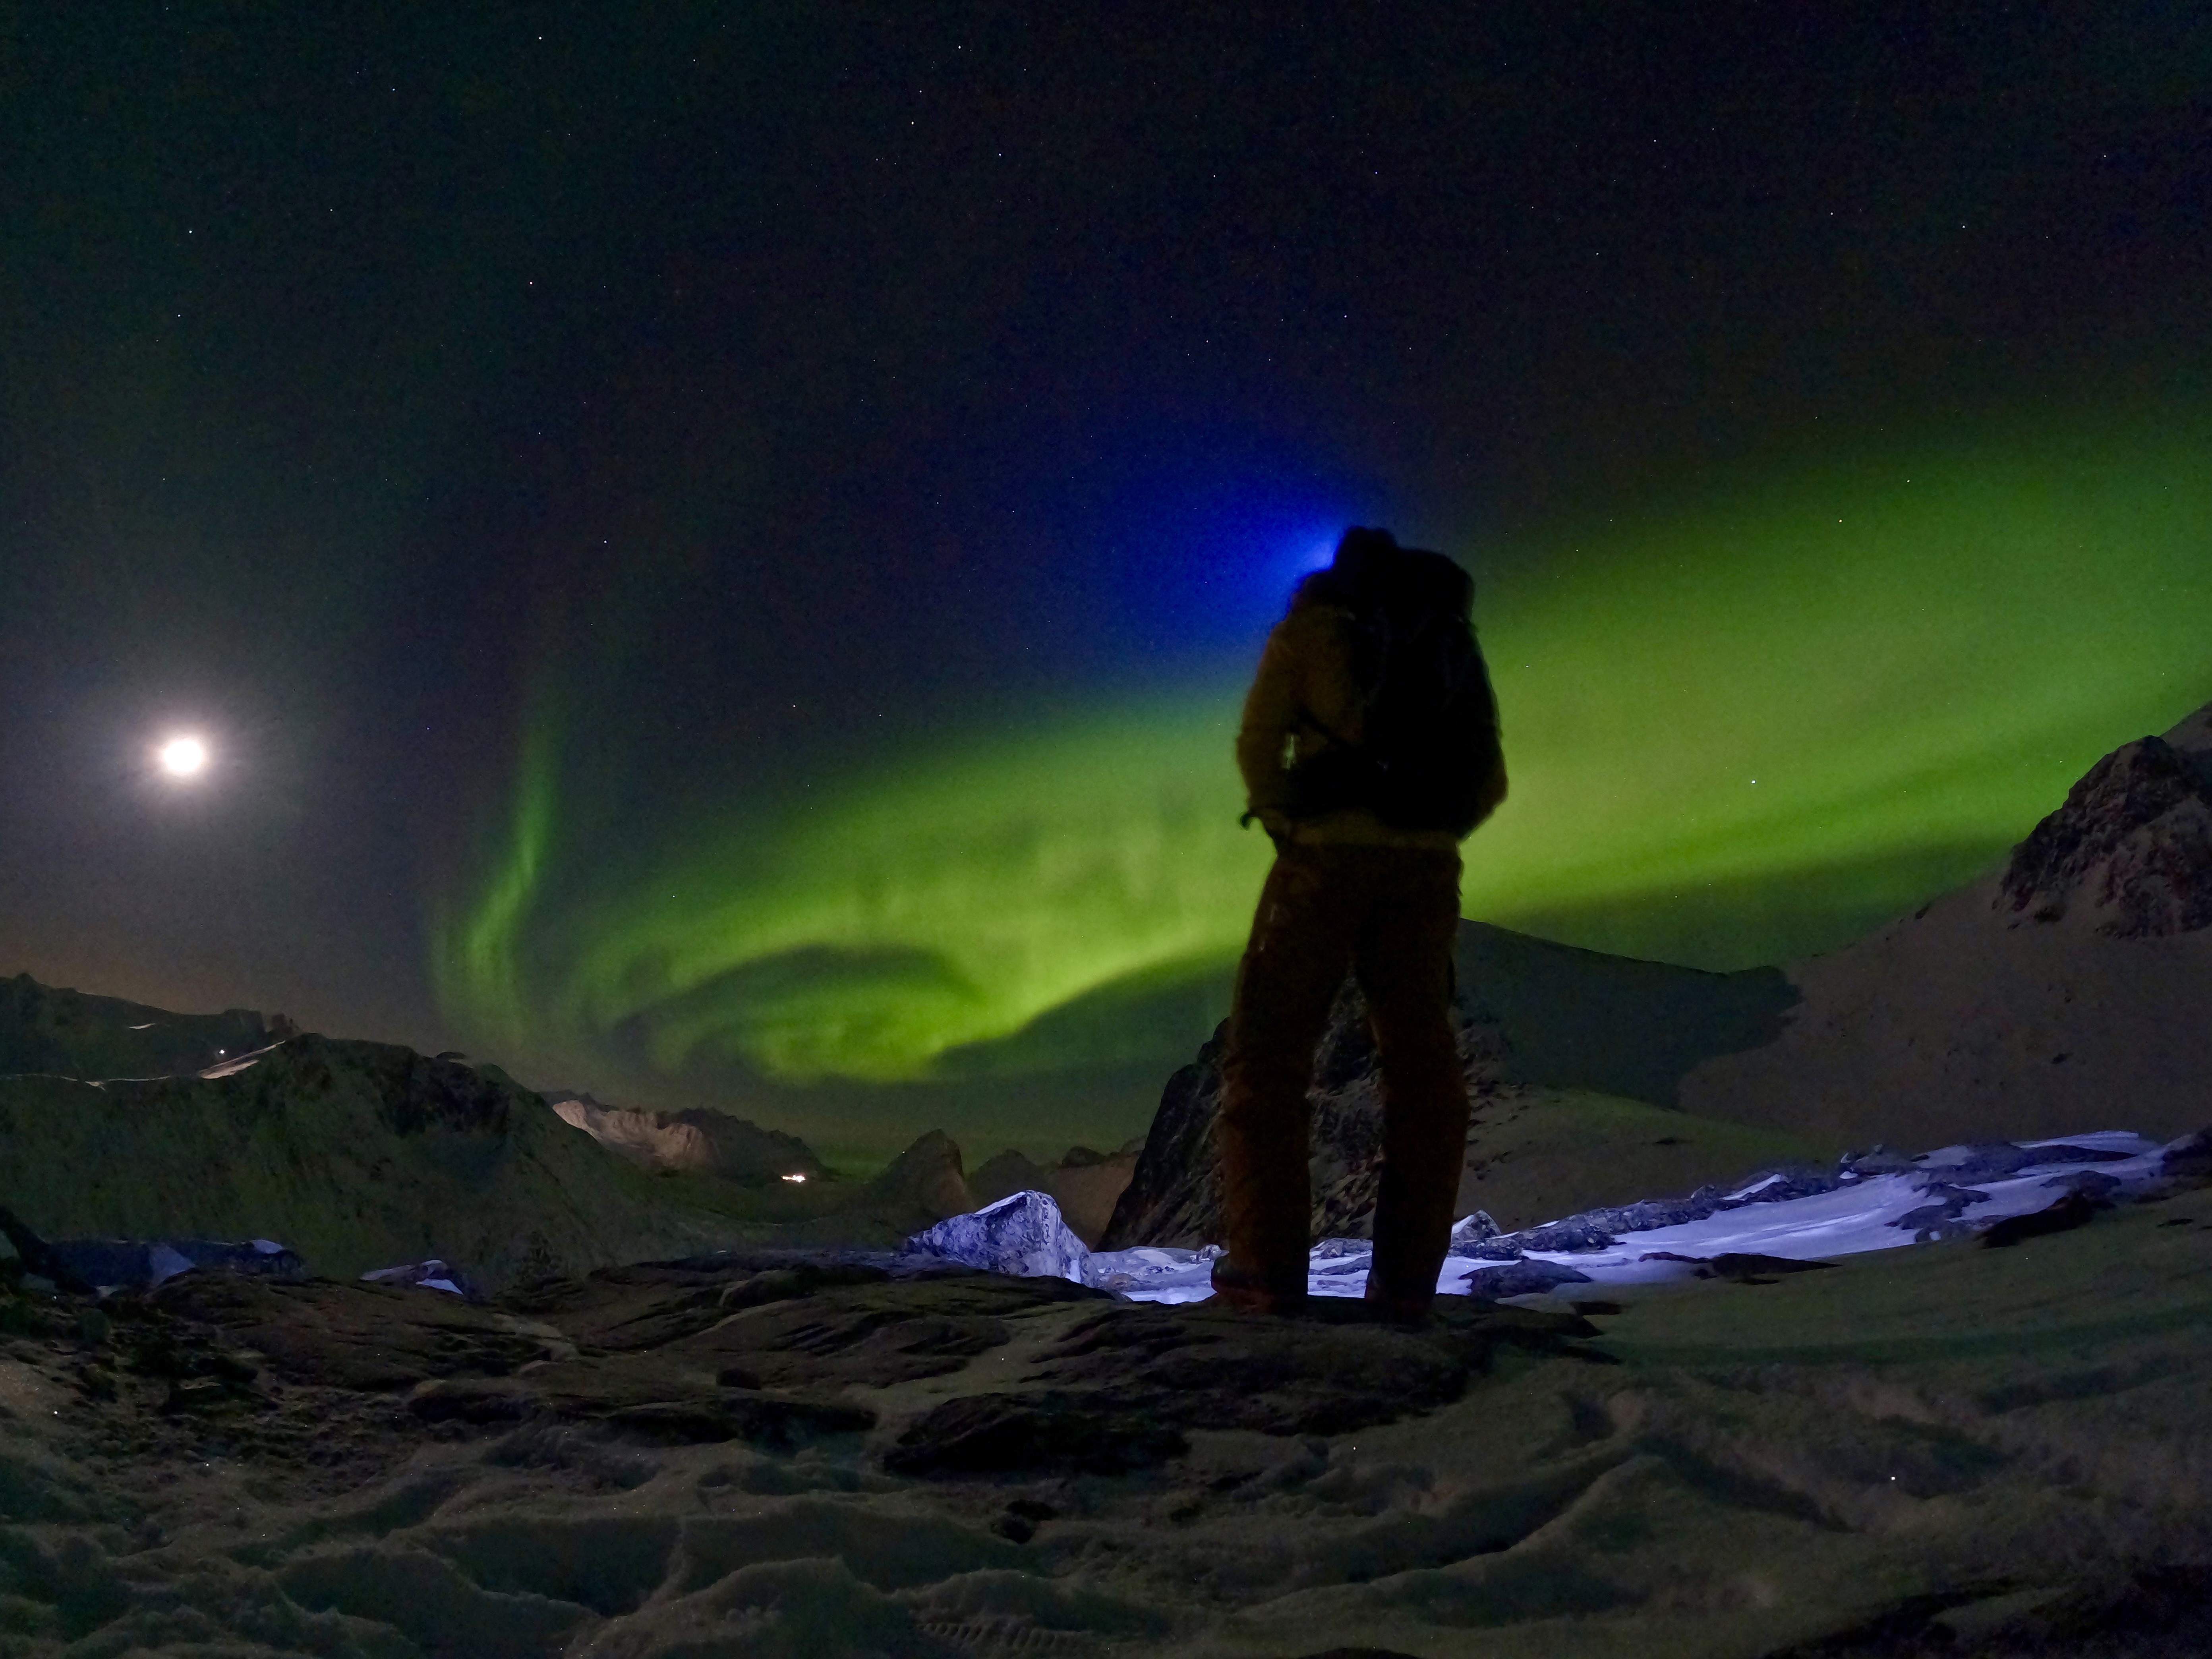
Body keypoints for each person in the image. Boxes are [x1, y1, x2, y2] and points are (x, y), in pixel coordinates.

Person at [1212, 527, 1507, 1318]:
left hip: (1322, 865)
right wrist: (1427, 835)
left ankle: (1265, 1275)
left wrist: (1287, 819)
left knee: (1267, 1058)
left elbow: (1257, 744)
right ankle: (1405, 1285)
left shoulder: (1311, 629)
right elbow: (1489, 778)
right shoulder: (1448, 639)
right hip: (1425, 877)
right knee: (1422, 1069)